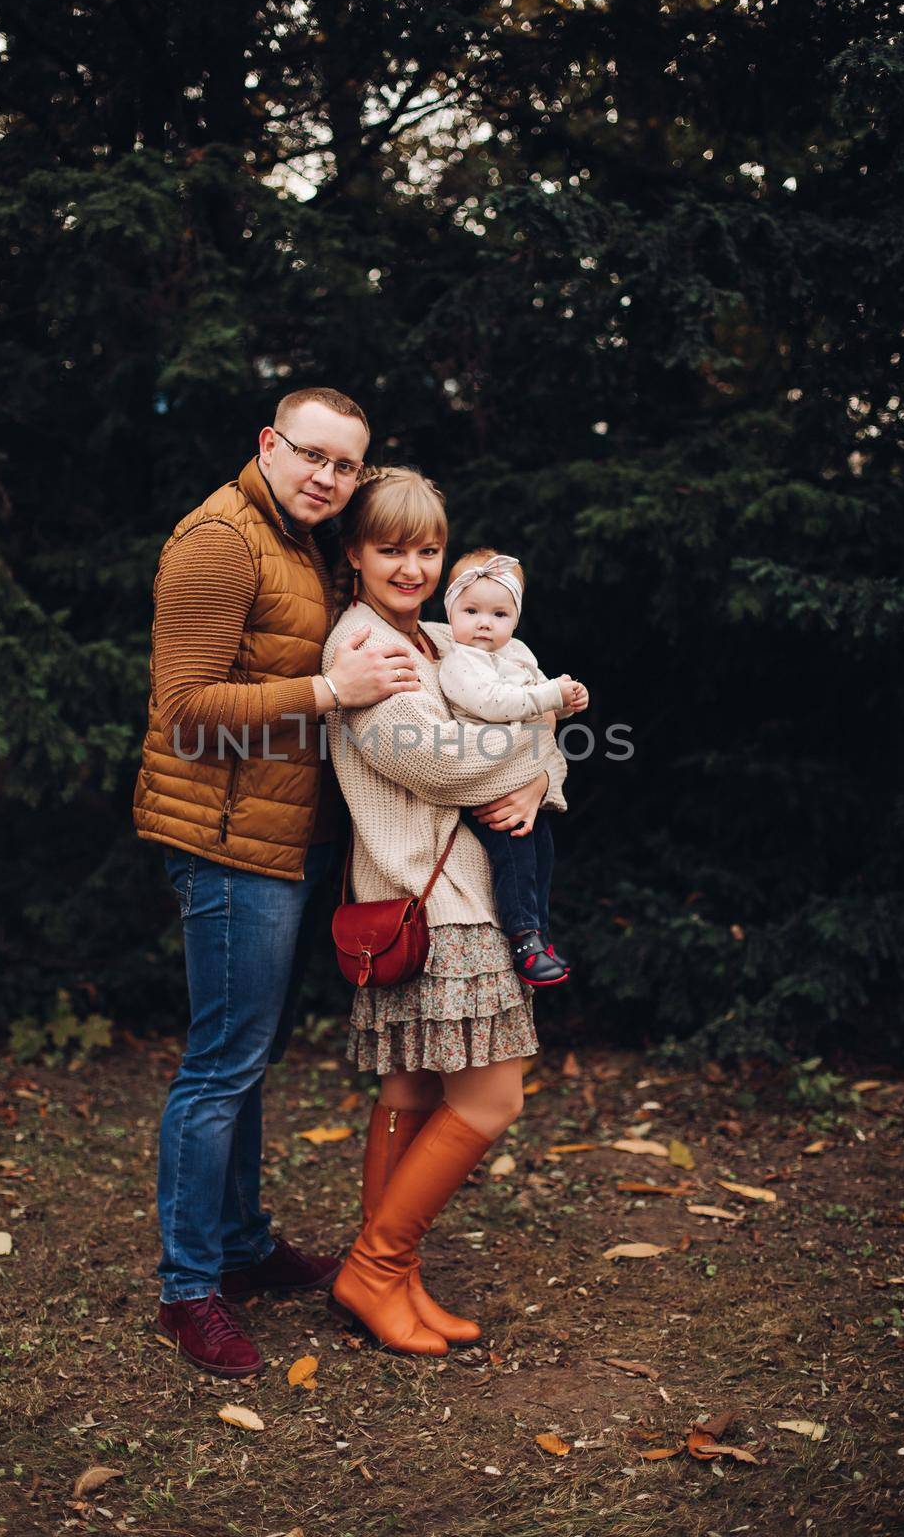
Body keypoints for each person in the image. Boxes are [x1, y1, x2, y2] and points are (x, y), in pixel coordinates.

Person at [133, 389, 423, 1378]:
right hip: (222, 842)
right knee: (219, 1064)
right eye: (311, 456)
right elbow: (186, 713)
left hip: (278, 835)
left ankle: (243, 1246)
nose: (327, 479)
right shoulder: (219, 540)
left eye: (344, 466)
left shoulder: (299, 539)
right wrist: (330, 693)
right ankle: (188, 1288)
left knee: (245, 1056)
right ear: (268, 442)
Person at [320, 468, 571, 1356]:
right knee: (493, 1097)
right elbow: (443, 765)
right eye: (390, 549)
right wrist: (528, 755)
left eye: (427, 549)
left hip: (449, 895)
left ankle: (391, 1274)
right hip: (435, 900)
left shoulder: (437, 637)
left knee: (414, 1088)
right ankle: (377, 1269)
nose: (411, 566)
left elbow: (535, 738)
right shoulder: (365, 645)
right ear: (353, 553)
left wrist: (543, 776)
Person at [438, 548, 590, 986]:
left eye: (499, 613)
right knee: (516, 858)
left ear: (515, 619)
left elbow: (541, 702)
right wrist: (550, 700)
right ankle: (522, 938)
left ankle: (540, 932)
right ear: (451, 613)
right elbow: (497, 705)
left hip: (521, 780)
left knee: (542, 851)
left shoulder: (517, 653)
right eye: (471, 611)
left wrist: (568, 702)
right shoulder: (460, 662)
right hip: (485, 784)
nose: (484, 623)